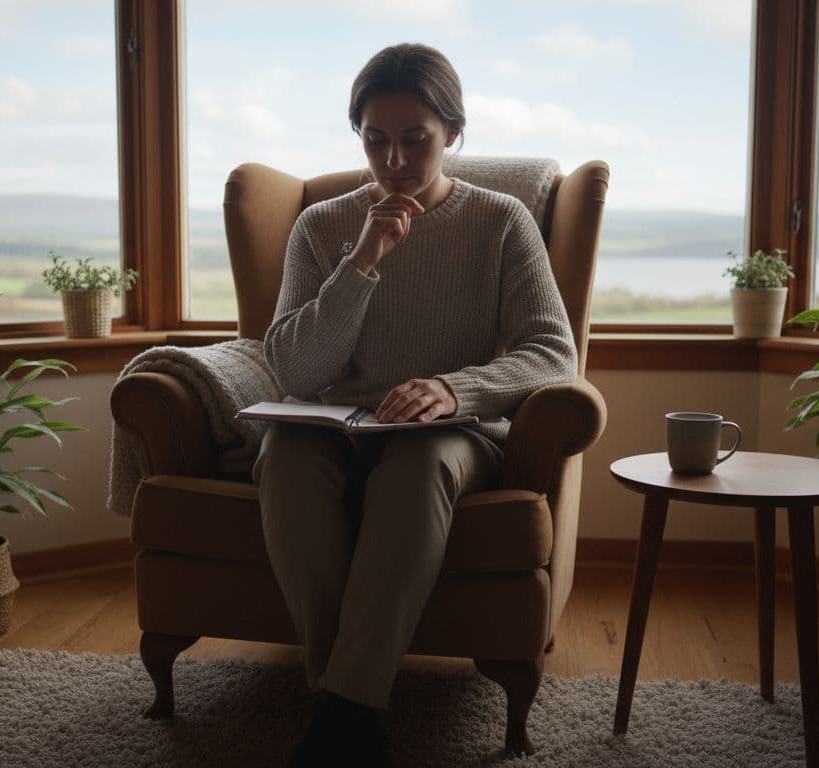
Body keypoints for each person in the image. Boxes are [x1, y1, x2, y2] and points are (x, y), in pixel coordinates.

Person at [253, 42, 578, 767]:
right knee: (284, 458)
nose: (393, 159)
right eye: (375, 139)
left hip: (451, 432)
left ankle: (344, 714)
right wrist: (361, 261)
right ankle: (349, 705)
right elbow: (295, 370)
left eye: (414, 140)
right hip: (338, 425)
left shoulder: (501, 222)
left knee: (416, 461)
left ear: (453, 134)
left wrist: (453, 388)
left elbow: (554, 352)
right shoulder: (323, 227)